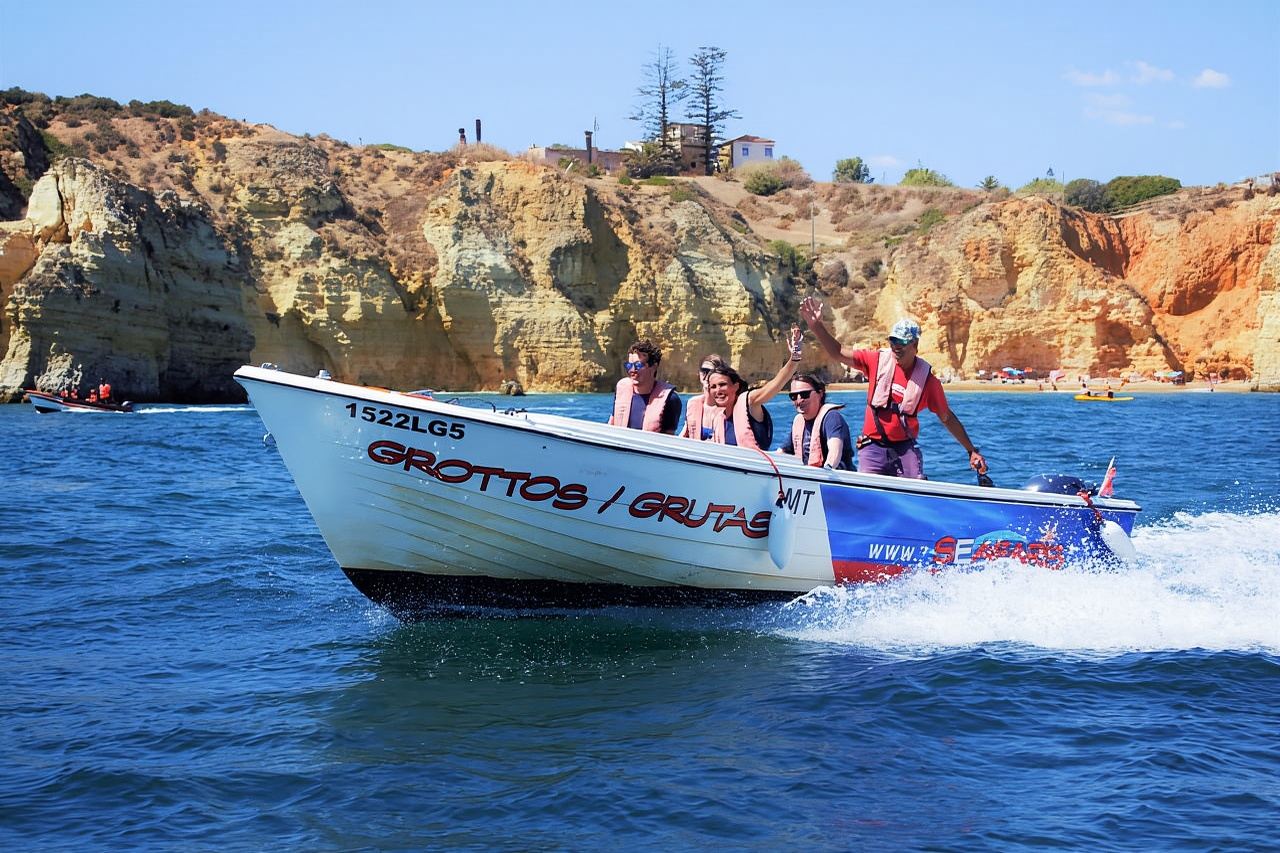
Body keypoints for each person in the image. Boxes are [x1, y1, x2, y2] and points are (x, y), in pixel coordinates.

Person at [799, 297, 987, 479]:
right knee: (869, 493)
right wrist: (816, 326)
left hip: (905, 448)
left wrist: (971, 451)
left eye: (902, 343)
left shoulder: (928, 382)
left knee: (917, 487)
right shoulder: (876, 361)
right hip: (871, 446)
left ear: (915, 345)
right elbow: (838, 352)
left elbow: (946, 417)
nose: (896, 347)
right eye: (893, 341)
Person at [692, 327, 804, 449]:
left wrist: (794, 358)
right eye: (713, 387)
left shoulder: (750, 402)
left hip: (754, 466)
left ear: (736, 386)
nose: (718, 390)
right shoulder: (720, 418)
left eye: (722, 385)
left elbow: (776, 383)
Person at [778, 373, 854, 469]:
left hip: (834, 479)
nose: (799, 400)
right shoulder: (798, 423)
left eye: (804, 394)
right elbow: (781, 453)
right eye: (793, 396)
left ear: (820, 393)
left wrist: (827, 469)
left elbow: (835, 451)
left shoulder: (832, 418)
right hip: (806, 478)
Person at [609, 339, 681, 434]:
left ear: (654, 367)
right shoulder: (621, 390)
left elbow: (669, 439)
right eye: (629, 365)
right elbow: (611, 424)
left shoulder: (671, 400)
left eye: (638, 365)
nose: (632, 370)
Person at [681, 353, 723, 440]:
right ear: (699, 374)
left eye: (712, 372)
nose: (707, 376)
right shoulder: (692, 403)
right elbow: (685, 434)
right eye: (704, 371)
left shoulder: (727, 407)